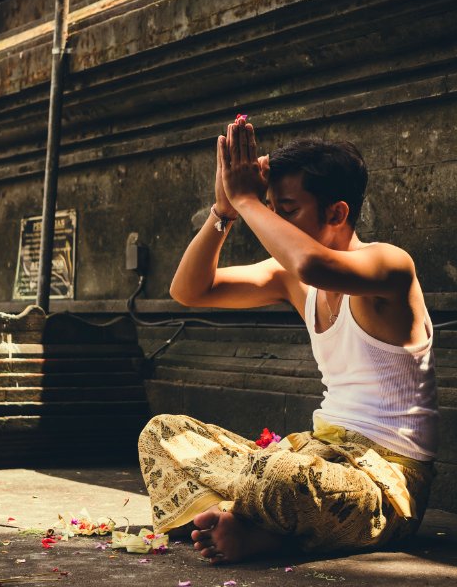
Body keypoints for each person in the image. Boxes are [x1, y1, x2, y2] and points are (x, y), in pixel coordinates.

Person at [137, 115, 438, 563]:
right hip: (310, 452)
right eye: (271, 208)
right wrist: (225, 212)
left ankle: (246, 523)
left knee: (279, 473)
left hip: (380, 485)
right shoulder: (291, 278)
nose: (272, 222)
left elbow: (313, 265)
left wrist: (246, 197)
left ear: (336, 212)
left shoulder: (389, 265)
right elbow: (189, 290)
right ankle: (247, 521)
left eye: (287, 210)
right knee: (163, 433)